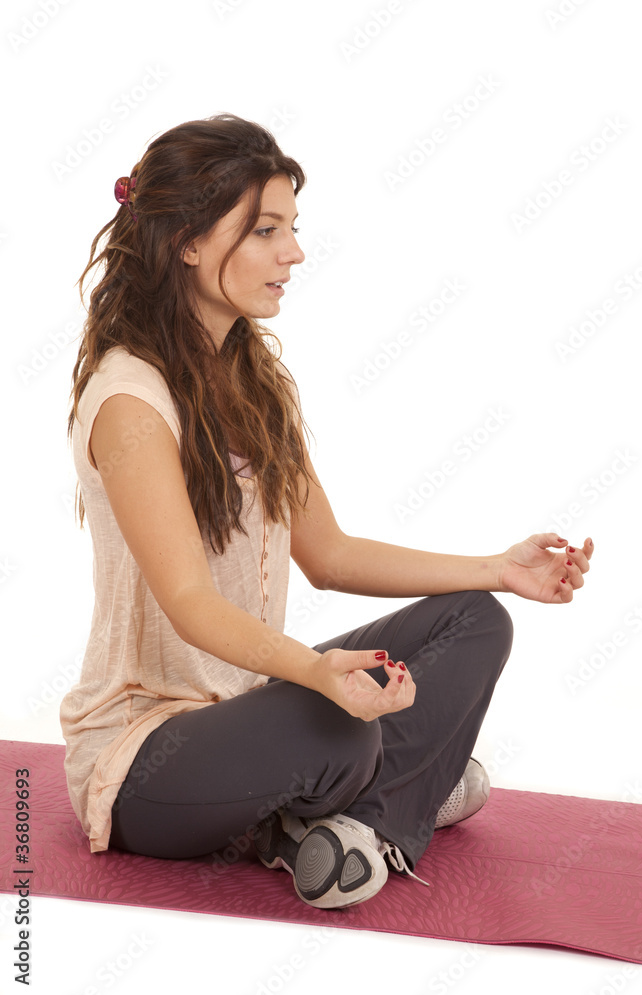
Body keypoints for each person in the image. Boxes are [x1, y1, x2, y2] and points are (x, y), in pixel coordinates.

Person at [60, 112, 594, 911]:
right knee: (345, 728)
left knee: (475, 619)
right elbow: (190, 601)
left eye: (291, 228)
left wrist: (497, 569)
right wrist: (316, 674)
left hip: (249, 711)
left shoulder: (254, 382)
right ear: (189, 242)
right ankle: (390, 795)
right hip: (146, 761)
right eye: (266, 230)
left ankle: (348, 822)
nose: (294, 253)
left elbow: (329, 555)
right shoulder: (130, 401)